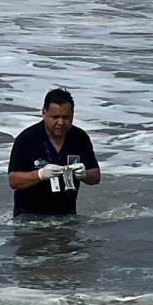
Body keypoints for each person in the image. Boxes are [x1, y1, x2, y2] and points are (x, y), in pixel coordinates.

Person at [8, 88, 101, 217]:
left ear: (73, 114)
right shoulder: (27, 139)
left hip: (67, 216)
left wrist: (84, 174)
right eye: (55, 117)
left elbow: (96, 177)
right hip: (29, 217)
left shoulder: (80, 138)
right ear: (44, 113)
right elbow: (13, 181)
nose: (61, 122)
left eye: (66, 117)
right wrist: (40, 174)